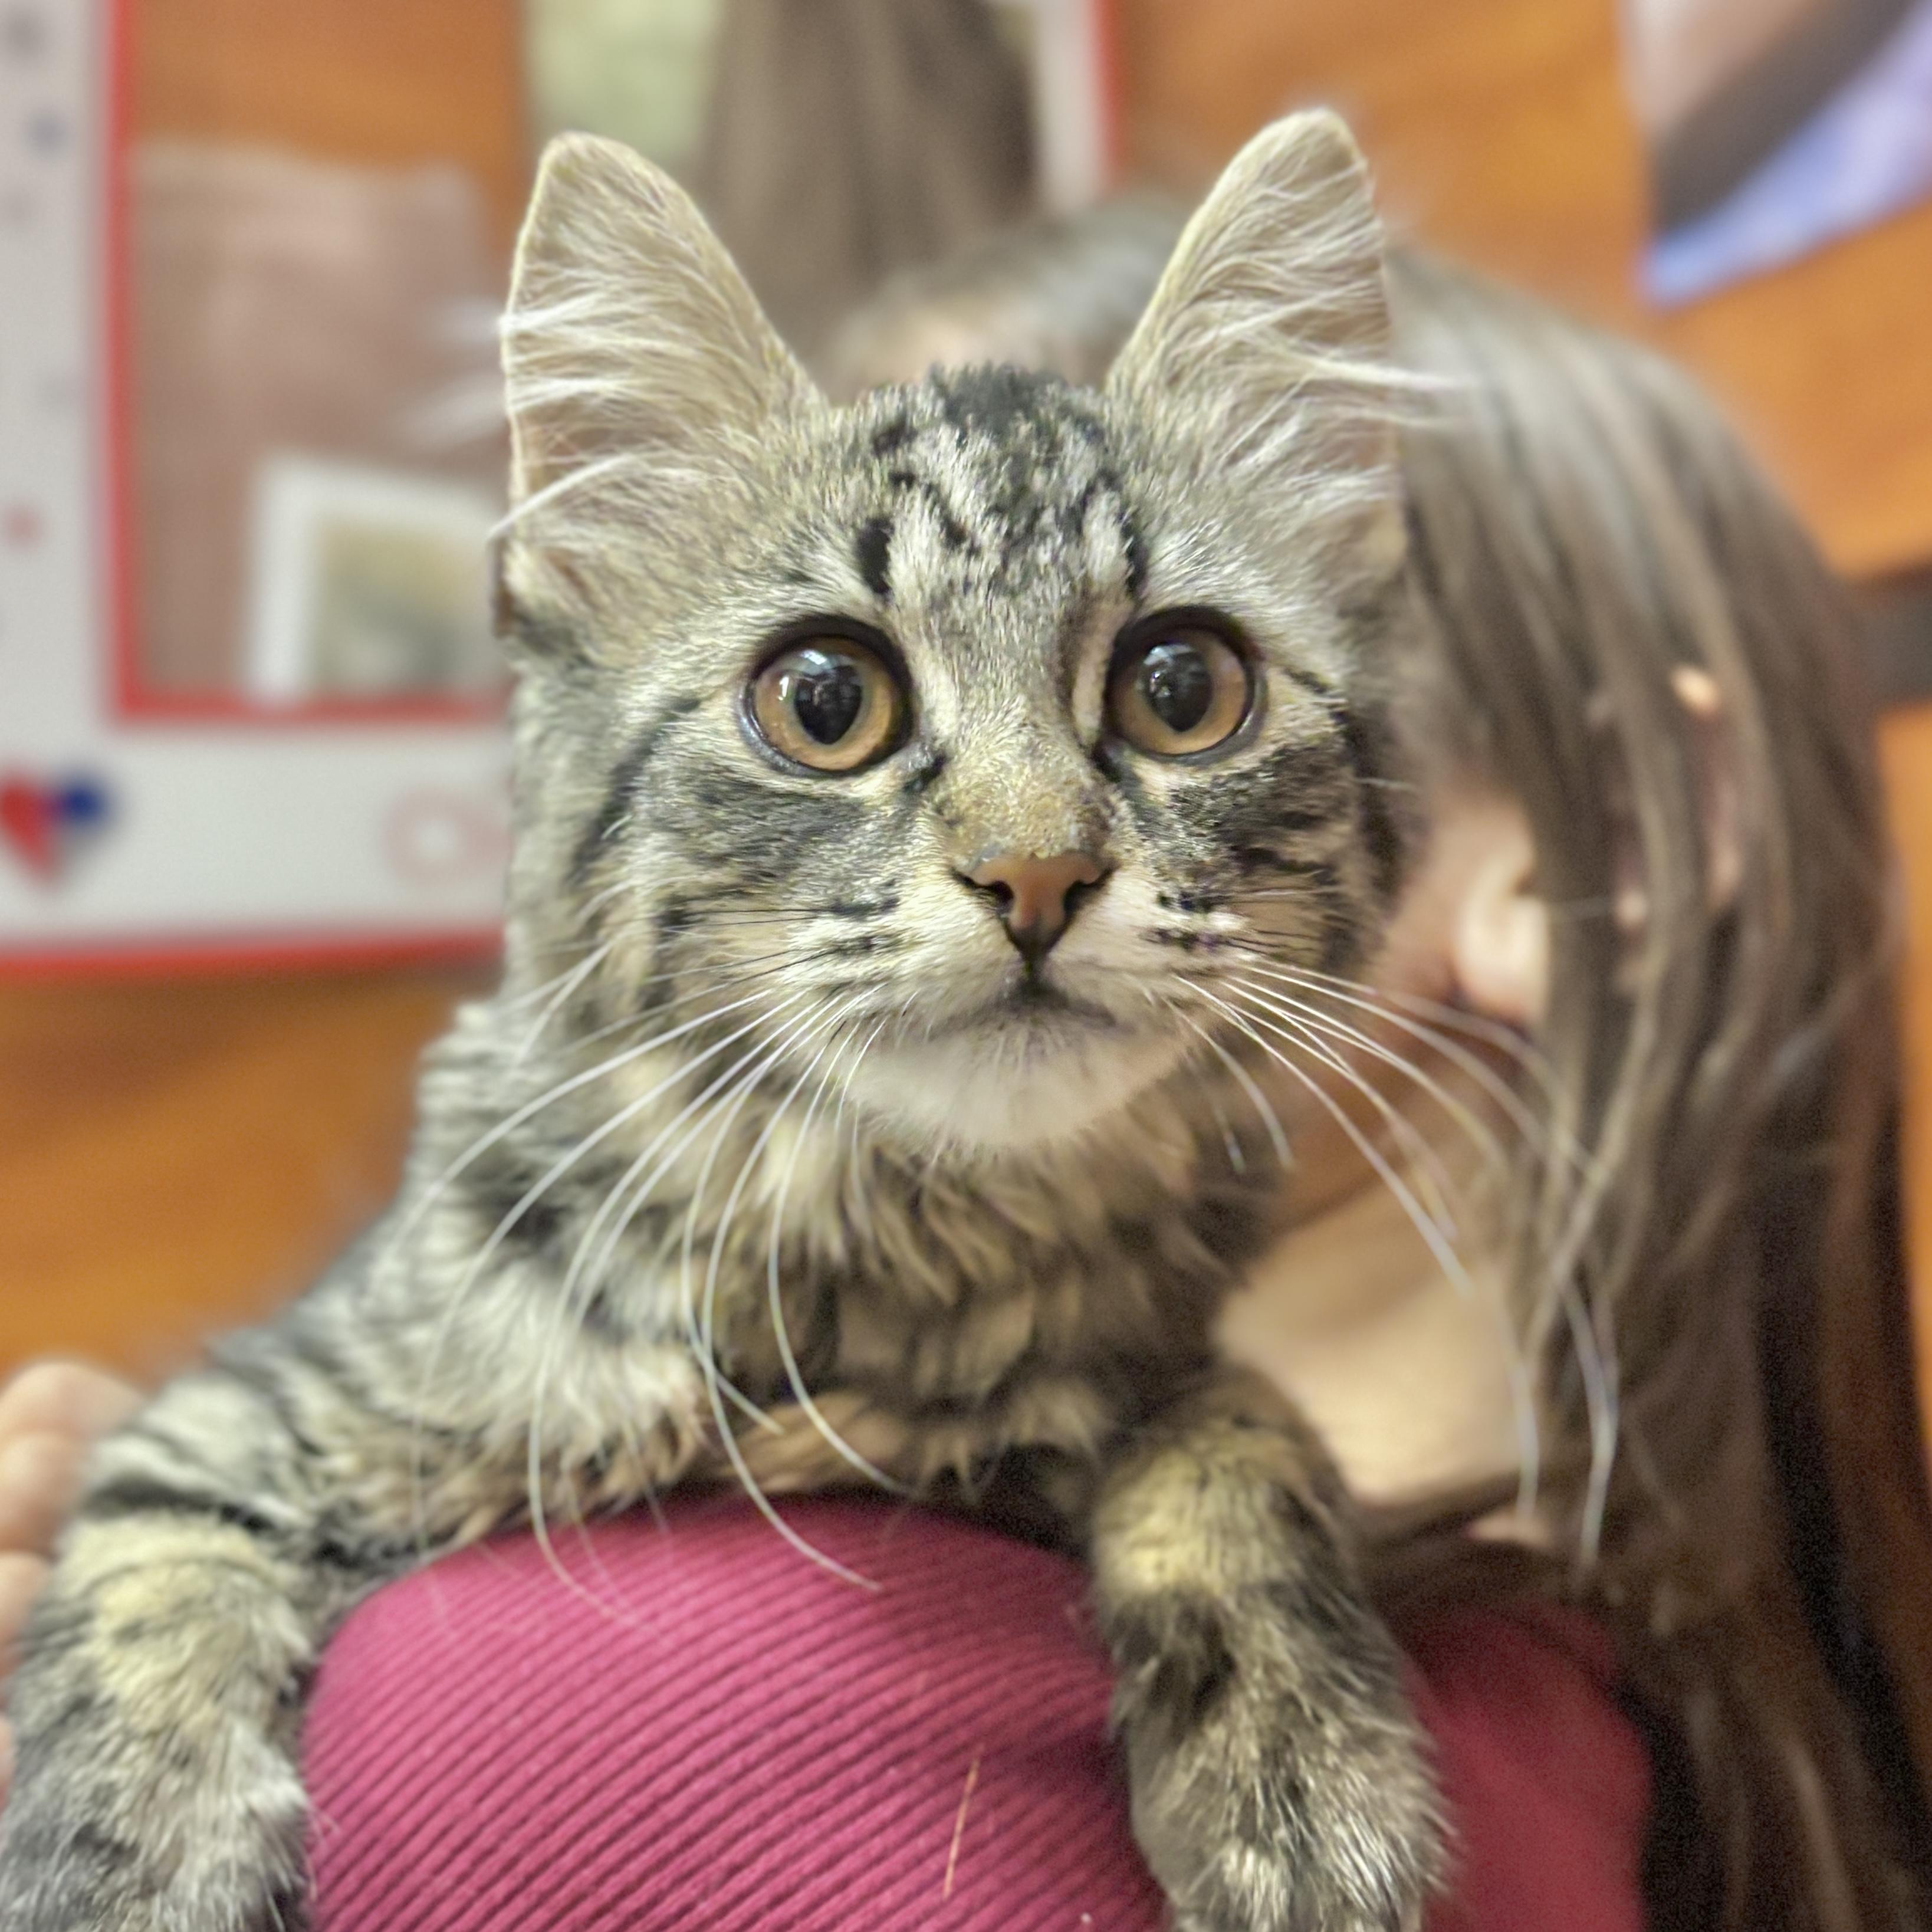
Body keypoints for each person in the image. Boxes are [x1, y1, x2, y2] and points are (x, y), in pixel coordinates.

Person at [4, 211, 1929, 1930]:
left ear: (1633, 836)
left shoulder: (565, 1724)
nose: (1029, 851)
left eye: (1178, 688)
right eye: (824, 697)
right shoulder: (1669, 1726)